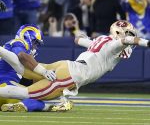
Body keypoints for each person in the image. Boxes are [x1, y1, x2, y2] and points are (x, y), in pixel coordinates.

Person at [0, 20, 150, 112]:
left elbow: (78, 40)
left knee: (24, 69)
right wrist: (146, 42)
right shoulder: (114, 46)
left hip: (66, 65)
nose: (129, 37)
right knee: (26, 93)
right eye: (128, 33)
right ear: (119, 33)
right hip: (71, 75)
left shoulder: (101, 41)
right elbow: (124, 42)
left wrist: (79, 33)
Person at [0, 24, 56, 109]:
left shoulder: (10, 46)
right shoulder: (19, 42)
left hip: (7, 88)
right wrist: (44, 71)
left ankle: (11, 106)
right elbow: (22, 55)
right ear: (27, 36)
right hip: (6, 86)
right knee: (36, 99)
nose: (35, 47)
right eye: (35, 42)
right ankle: (52, 107)